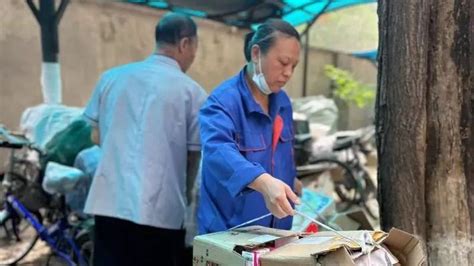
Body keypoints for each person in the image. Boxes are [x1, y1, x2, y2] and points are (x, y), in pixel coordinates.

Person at [82, 13, 207, 266]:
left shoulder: (111, 78)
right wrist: (186, 198)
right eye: (195, 47)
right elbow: (193, 158)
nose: (193, 55)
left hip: (109, 203)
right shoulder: (192, 93)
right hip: (160, 212)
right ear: (185, 44)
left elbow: (95, 135)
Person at [198, 19, 302, 234]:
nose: (288, 73)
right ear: (256, 54)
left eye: (294, 66)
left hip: (277, 233)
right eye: (283, 62)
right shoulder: (222, 102)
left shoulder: (282, 102)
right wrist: (262, 181)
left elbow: (282, 155)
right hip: (229, 235)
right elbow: (218, 151)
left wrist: (291, 180)